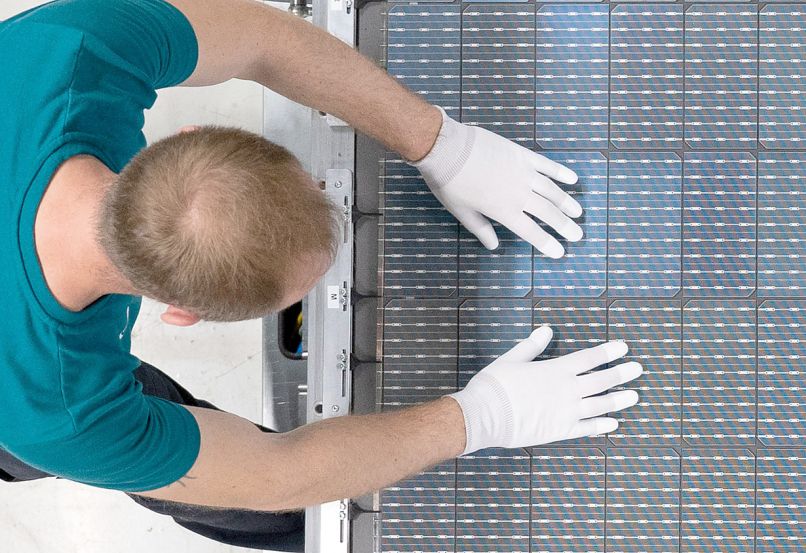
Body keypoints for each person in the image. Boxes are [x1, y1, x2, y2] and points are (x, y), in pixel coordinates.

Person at [0, 0, 643, 551]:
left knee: (159, 451)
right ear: (180, 311)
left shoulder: (67, 51)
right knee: (240, 490)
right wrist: (482, 419)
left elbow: (264, 38)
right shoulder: (59, 412)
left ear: (194, 136)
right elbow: (280, 473)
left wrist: (442, 143)